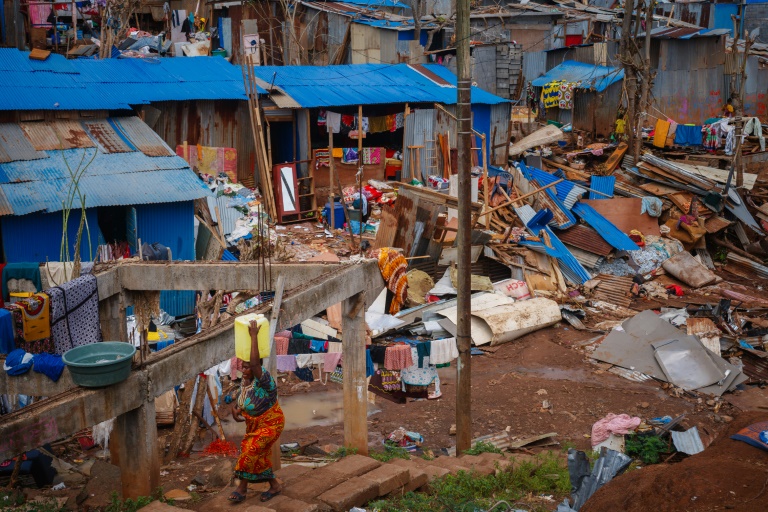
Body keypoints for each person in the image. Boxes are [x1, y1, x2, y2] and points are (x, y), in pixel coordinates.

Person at [228, 320, 284, 503]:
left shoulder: (265, 381)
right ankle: (274, 485)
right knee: (259, 456)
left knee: (251, 451)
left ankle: (242, 488)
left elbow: (255, 363)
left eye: (247, 367)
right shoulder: (245, 383)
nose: (244, 370)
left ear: (255, 368)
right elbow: (243, 402)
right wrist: (236, 410)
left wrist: (253, 336)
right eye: (242, 366)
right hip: (254, 424)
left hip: (271, 423)